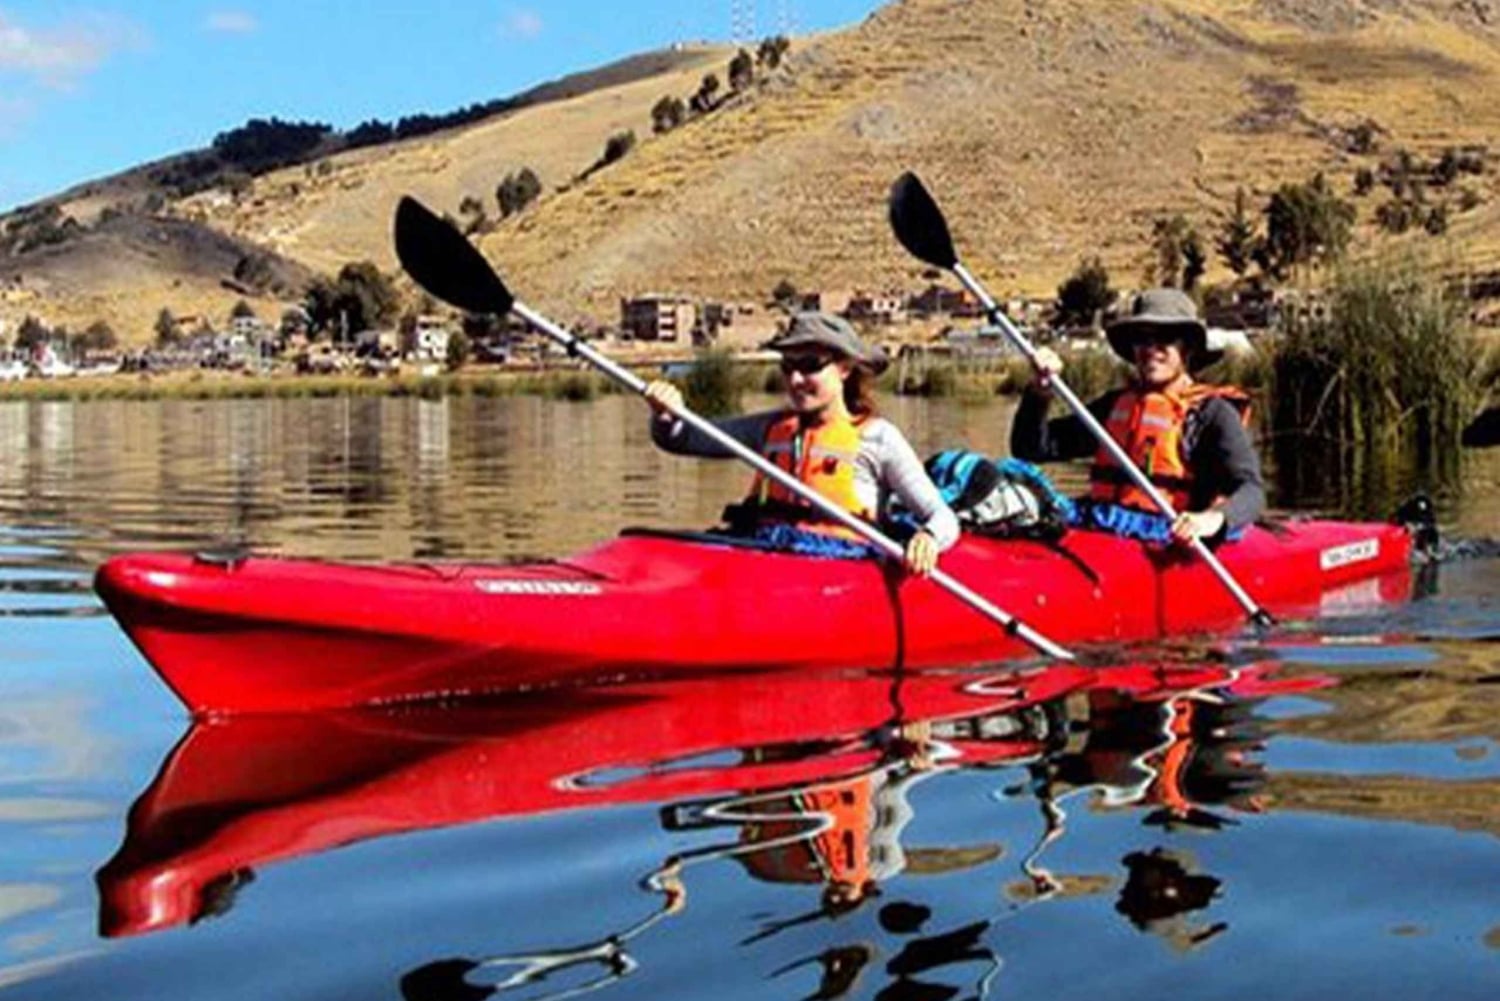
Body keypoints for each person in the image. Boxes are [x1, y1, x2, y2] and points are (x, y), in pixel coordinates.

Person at [644, 311, 958, 575]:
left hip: (839, 566)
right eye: (787, 366)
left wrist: (928, 539)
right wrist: (666, 414)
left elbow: (943, 519)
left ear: (845, 367)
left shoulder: (878, 438)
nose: (794, 379)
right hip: (765, 551)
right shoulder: (768, 429)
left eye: (809, 365)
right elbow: (681, 439)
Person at [1010, 288, 1264, 545]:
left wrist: (1212, 519)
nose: (1151, 349)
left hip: (1168, 537)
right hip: (1101, 528)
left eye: (1165, 337)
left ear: (1187, 348)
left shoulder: (1211, 414)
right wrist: (1039, 392)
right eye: (1142, 339)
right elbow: (1030, 448)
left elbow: (1251, 491)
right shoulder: (1114, 407)